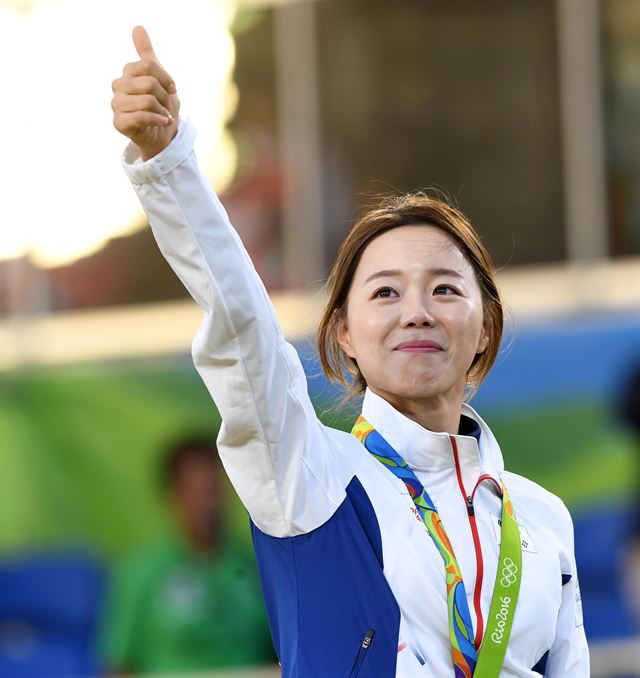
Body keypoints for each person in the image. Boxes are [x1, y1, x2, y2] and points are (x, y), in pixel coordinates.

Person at [111, 26, 589, 677]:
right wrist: (170, 165)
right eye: (386, 292)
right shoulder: (309, 474)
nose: (417, 310)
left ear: (485, 327)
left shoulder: (542, 519)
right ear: (345, 334)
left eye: (445, 288)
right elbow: (241, 325)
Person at [100, 436, 274, 674]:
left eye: (213, 489)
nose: (207, 503)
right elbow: (119, 665)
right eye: (195, 491)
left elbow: (280, 649)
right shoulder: (142, 571)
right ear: (174, 496)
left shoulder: (256, 565)